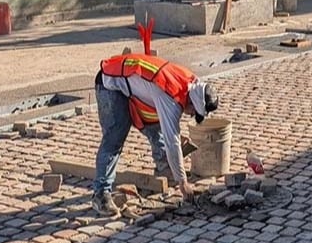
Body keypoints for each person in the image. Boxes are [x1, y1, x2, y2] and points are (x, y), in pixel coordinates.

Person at [92, 52, 219, 216]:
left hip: (135, 87)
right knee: (114, 138)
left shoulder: (192, 84)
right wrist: (183, 183)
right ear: (193, 103)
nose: (190, 115)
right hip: (110, 83)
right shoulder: (170, 98)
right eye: (194, 112)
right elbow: (172, 141)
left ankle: (164, 169)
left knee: (155, 125)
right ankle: (101, 194)